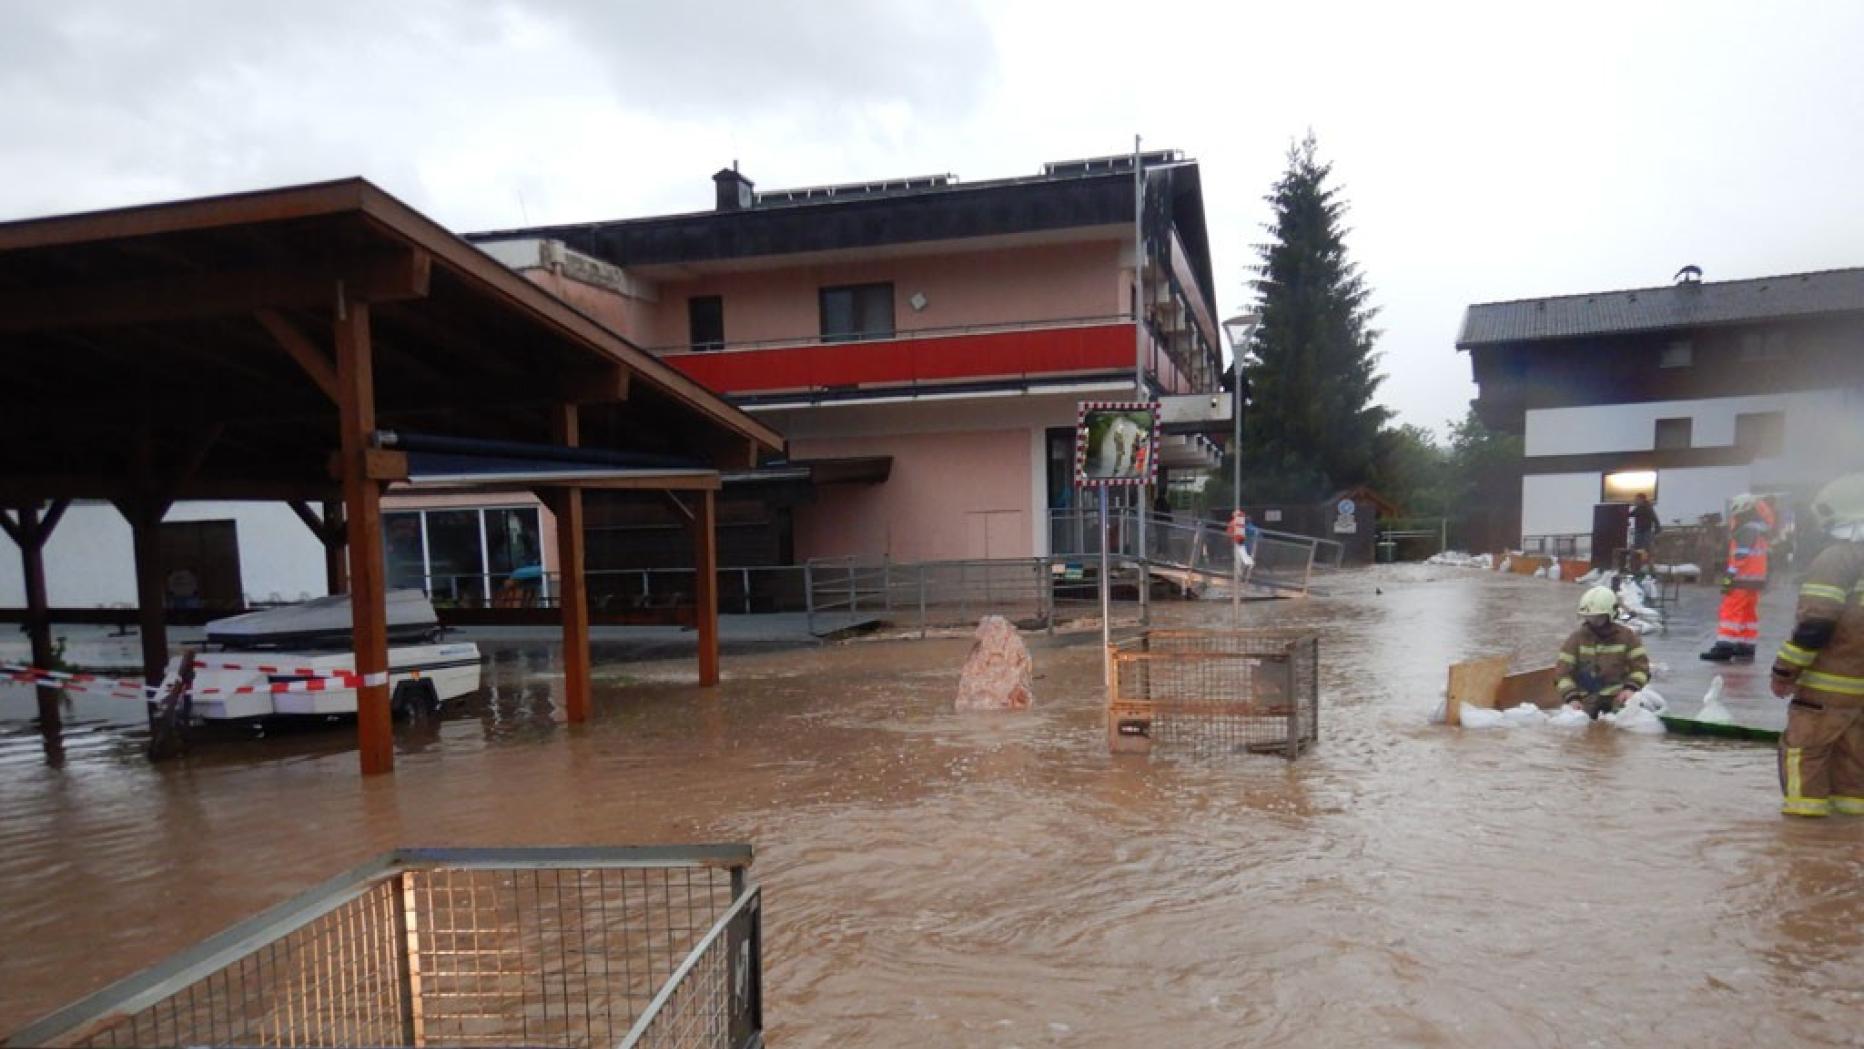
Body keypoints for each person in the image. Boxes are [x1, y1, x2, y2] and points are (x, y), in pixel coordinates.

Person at [1768, 473, 1864, 818]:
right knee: (1855, 775)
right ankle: (1847, 848)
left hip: (1826, 691)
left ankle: (1801, 847)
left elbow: (1816, 625)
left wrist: (1784, 670)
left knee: (1803, 759)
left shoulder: (1838, 559)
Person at [1557, 586, 1652, 719]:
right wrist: (1572, 698)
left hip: (1619, 703)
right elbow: (1562, 675)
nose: (1593, 623)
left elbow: (1641, 669)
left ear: (1611, 615)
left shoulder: (1627, 637)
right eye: (1589, 618)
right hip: (1585, 704)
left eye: (1598, 618)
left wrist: (1630, 689)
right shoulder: (1576, 639)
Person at [1701, 493, 1776, 662]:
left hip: (1741, 579)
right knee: (1749, 613)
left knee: (1731, 610)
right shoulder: (1760, 529)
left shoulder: (1745, 529)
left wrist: (1729, 576)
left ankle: (1724, 646)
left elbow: (1740, 556)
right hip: (1756, 580)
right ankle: (1746, 646)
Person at [1629, 493, 1661, 571]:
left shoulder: (1648, 507)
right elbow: (1631, 514)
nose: (1635, 501)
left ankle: (1646, 566)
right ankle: (1637, 566)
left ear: (1642, 499)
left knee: (1645, 548)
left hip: (1646, 531)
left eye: (1637, 499)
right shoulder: (1638, 508)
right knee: (1638, 549)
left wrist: (1657, 528)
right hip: (1639, 530)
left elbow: (1654, 518)